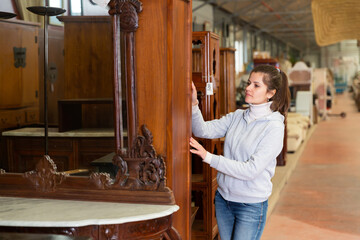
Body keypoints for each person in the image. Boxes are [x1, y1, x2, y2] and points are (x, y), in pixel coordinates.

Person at [190, 64, 290, 240]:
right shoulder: (237, 116)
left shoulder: (274, 127)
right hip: (224, 200)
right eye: (249, 83)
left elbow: (251, 169)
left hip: (250, 204)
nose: (248, 88)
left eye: (256, 85)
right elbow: (203, 130)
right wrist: (193, 104)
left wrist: (209, 157)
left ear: (271, 93)